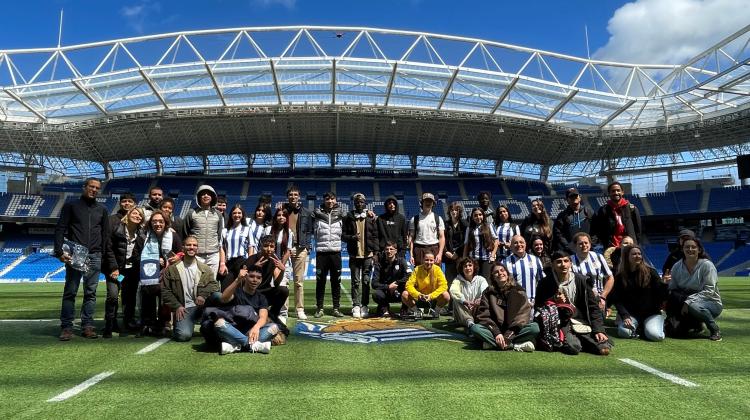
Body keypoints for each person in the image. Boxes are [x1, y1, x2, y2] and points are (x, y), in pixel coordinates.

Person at [55, 178, 111, 341]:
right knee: (70, 292)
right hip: (76, 255)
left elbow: (105, 234)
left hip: (95, 255)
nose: (94, 190)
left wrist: (104, 254)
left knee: (91, 293)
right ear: (84, 187)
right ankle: (66, 327)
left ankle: (87, 325)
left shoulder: (102, 209)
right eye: (91, 187)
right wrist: (59, 251)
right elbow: (60, 228)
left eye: (97, 188)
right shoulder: (71, 206)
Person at [536, 250, 612, 356]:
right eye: (559, 262)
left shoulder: (582, 281)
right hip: (561, 323)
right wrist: (554, 301)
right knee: (573, 347)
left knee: (603, 345)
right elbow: (539, 307)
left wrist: (599, 330)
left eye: (566, 261)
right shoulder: (544, 283)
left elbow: (593, 308)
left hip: (582, 321)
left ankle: (584, 339)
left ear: (570, 263)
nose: (563, 265)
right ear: (553, 265)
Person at [161, 236, 220, 342]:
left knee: (218, 296)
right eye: (188, 245)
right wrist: (177, 306)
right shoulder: (172, 269)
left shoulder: (205, 268)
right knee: (183, 336)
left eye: (194, 245)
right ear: (183, 247)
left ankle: (210, 324)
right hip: (185, 309)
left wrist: (202, 295)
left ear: (197, 249)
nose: (191, 247)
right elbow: (165, 291)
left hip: (202, 306)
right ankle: (183, 324)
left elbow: (214, 285)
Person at [212, 265, 281, 355]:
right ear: (245, 277)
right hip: (233, 330)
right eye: (251, 276)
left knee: (274, 327)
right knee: (219, 323)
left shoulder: (261, 298)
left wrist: (256, 327)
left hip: (251, 332)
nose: (255, 280)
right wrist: (238, 279)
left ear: (261, 280)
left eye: (258, 278)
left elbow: (263, 318)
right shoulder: (236, 292)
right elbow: (224, 298)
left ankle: (236, 346)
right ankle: (252, 345)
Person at [133, 209, 181, 337]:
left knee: (165, 299)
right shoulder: (143, 237)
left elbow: (181, 253)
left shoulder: (173, 236)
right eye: (154, 221)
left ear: (166, 223)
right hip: (148, 275)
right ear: (150, 223)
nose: (158, 224)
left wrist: (175, 258)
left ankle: (163, 324)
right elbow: (136, 257)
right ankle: (147, 324)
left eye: (161, 221)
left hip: (168, 275)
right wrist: (153, 261)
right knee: (147, 297)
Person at [664, 238, 723, 341]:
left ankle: (714, 329)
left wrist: (688, 301)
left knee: (694, 306)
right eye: (687, 247)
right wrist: (665, 284)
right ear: (682, 249)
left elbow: (709, 291)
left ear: (699, 250)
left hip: (710, 302)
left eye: (693, 247)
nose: (690, 249)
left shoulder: (707, 265)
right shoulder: (677, 267)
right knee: (674, 331)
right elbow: (673, 290)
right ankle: (696, 324)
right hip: (684, 302)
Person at [471, 264, 539, 351]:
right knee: (475, 328)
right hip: (495, 330)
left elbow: (522, 317)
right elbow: (483, 315)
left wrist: (508, 336)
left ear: (507, 273)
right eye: (496, 272)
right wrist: (497, 333)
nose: (500, 273)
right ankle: (515, 346)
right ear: (493, 277)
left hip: (513, 330)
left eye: (502, 270)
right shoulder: (488, 292)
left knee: (534, 328)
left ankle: (494, 344)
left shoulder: (519, 291)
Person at [609, 245, 667, 341]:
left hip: (651, 313)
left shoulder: (651, 272)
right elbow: (617, 299)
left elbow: (662, 295)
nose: (637, 256)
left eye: (639, 254)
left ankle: (654, 325)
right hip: (631, 314)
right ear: (627, 257)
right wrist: (625, 316)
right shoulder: (620, 276)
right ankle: (641, 328)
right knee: (624, 332)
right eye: (634, 254)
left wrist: (664, 284)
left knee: (655, 336)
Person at [104, 207, 145, 336]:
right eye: (134, 213)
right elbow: (108, 249)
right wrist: (113, 268)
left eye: (140, 214)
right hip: (116, 271)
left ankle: (128, 323)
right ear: (128, 214)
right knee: (113, 295)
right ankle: (110, 323)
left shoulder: (142, 233)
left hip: (131, 272)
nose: (137, 215)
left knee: (129, 298)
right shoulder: (117, 228)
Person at [343, 193, 379, 319]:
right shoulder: (348, 217)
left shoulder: (370, 218)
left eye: (362, 202)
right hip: (354, 255)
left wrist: (375, 253)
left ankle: (364, 305)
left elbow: (375, 236)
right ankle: (356, 305)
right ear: (354, 203)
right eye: (357, 202)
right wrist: (353, 237)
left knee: (365, 281)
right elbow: (343, 236)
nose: (359, 204)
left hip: (368, 255)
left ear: (365, 203)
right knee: (355, 282)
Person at [282, 186, 314, 321]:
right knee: (284, 282)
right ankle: (283, 310)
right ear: (288, 196)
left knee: (298, 282)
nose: (293, 197)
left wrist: (307, 247)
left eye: (295, 194)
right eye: (291, 194)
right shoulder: (282, 212)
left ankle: (299, 309)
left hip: (300, 249)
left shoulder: (306, 212)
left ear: (299, 197)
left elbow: (309, 230)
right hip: (285, 250)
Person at [241, 235, 290, 322]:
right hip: (251, 294)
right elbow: (242, 281)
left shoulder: (273, 260)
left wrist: (282, 270)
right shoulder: (251, 259)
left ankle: (273, 315)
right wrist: (254, 267)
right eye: (266, 246)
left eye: (272, 246)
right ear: (261, 246)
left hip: (265, 293)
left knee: (283, 290)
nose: (269, 249)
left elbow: (276, 283)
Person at [182, 184, 227, 278]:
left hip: (213, 255)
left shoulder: (218, 214)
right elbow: (186, 233)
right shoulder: (191, 213)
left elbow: (219, 234)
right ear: (198, 197)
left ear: (213, 197)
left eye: (208, 194)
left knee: (210, 282)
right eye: (203, 194)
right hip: (196, 254)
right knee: (194, 281)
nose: (206, 195)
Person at [313, 192, 344, 318]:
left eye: (332, 199)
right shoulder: (316, 213)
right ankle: (319, 308)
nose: (330, 201)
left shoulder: (342, 213)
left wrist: (369, 213)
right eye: (327, 199)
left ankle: (336, 308)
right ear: (324, 200)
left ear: (335, 200)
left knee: (336, 282)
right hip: (321, 253)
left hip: (336, 253)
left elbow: (354, 218)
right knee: (320, 282)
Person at [571, 232, 614, 312]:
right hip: (580, 301)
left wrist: (603, 296)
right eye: (580, 243)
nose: (584, 245)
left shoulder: (598, 257)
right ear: (575, 246)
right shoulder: (570, 261)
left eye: (586, 242)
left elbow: (610, 278)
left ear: (590, 244)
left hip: (599, 300)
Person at [593, 181, 642, 249]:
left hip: (629, 247)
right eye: (613, 191)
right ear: (609, 193)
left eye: (618, 190)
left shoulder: (632, 208)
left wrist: (635, 244)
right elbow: (599, 230)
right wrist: (605, 243)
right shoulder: (603, 210)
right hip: (611, 248)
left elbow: (638, 230)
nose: (616, 193)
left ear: (622, 192)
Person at [401, 252, 450, 318]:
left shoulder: (438, 269)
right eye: (426, 260)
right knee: (404, 294)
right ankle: (417, 311)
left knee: (446, 295)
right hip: (419, 298)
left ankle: (436, 312)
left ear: (434, 260)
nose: (429, 262)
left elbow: (444, 286)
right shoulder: (417, 269)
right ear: (423, 260)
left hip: (433, 298)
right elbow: (408, 285)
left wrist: (431, 296)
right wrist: (418, 295)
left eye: (431, 260)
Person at [501, 235, 545, 304]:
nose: (519, 245)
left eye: (521, 242)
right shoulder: (504, 262)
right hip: (514, 303)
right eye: (515, 243)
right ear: (511, 246)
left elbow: (542, 281)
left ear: (525, 244)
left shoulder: (535, 260)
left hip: (532, 303)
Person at [371, 241, 411, 317]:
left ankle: (404, 308)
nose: (389, 251)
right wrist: (388, 287)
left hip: (399, 291)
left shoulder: (402, 261)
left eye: (391, 249)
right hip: (386, 293)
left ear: (396, 251)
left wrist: (397, 283)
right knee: (376, 294)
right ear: (384, 251)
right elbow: (374, 283)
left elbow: (409, 275)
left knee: (409, 288)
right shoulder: (379, 264)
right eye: (387, 249)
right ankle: (385, 308)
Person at [449, 258, 488, 331]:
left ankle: (480, 322)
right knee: (456, 300)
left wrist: (480, 300)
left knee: (486, 300)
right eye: (465, 266)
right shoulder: (457, 280)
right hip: (462, 312)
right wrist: (465, 301)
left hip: (476, 309)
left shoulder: (481, 280)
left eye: (470, 265)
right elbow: (453, 291)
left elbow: (485, 291)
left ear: (474, 267)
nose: (468, 268)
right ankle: (470, 324)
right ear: (462, 269)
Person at [223, 204, 255, 290]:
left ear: (243, 215)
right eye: (234, 213)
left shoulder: (247, 229)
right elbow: (222, 248)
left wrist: (249, 263)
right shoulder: (225, 231)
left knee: (241, 288)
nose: (237, 215)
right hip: (229, 263)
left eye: (239, 213)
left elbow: (251, 246)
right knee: (226, 288)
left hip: (241, 261)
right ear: (231, 215)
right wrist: (222, 263)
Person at [408, 192, 445, 267]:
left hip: (434, 248)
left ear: (433, 203)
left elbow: (442, 237)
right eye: (426, 201)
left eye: (430, 201)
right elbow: (411, 238)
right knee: (419, 275)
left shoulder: (438, 218)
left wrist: (440, 254)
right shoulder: (414, 219)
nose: (428, 203)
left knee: (435, 275)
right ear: (422, 202)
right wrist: (411, 255)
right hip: (419, 249)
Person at [553, 187, 594, 253]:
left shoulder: (589, 212)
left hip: (588, 249)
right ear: (567, 200)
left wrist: (591, 244)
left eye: (576, 195)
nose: (574, 198)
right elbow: (558, 234)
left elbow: (596, 230)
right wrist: (568, 247)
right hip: (571, 252)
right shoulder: (562, 216)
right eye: (571, 196)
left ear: (579, 197)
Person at [462, 207, 498, 279]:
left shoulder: (489, 225)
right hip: (473, 260)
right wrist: (464, 258)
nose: (478, 217)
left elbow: (496, 241)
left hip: (486, 259)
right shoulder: (469, 228)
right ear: (472, 217)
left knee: (486, 281)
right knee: (474, 281)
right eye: (475, 215)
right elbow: (466, 245)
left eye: (480, 215)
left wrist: (493, 255)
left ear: (483, 216)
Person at [443, 201, 467, 282]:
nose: (454, 212)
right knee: (450, 280)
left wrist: (457, 253)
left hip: (461, 256)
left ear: (460, 211)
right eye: (452, 210)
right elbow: (442, 239)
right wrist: (446, 252)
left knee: (463, 280)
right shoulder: (445, 224)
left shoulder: (464, 224)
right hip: (449, 256)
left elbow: (466, 241)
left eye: (456, 210)